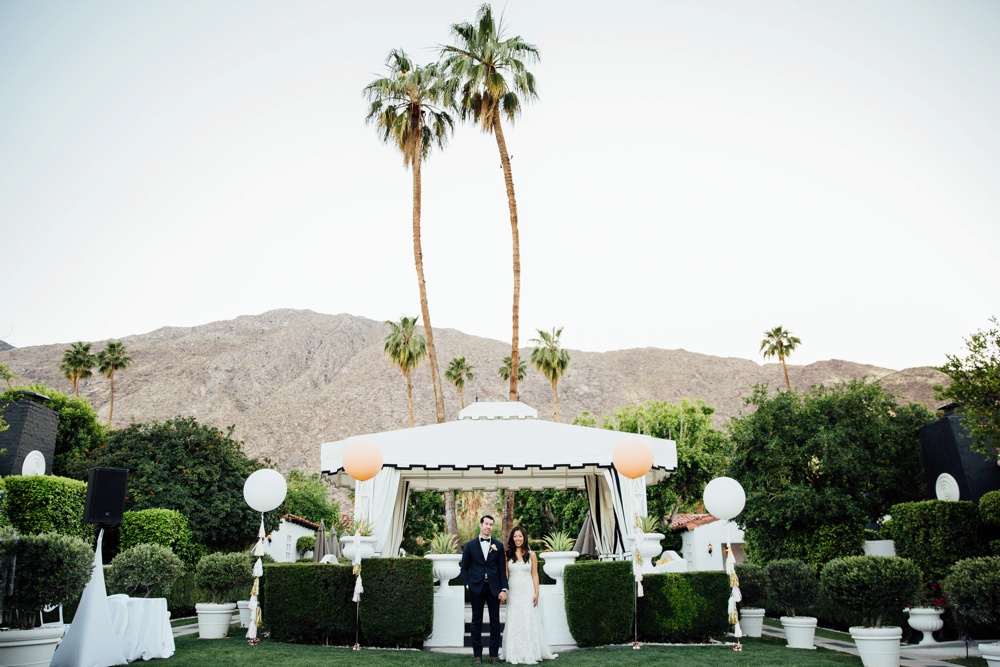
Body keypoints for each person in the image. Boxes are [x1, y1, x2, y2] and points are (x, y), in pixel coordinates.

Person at [501, 526, 557, 665]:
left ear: (524, 537)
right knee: (515, 619)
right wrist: (504, 590)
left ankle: (531, 651)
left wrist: (536, 592)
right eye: (515, 536)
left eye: (520, 536)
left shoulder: (531, 554)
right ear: (512, 539)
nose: (518, 539)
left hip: (527, 591)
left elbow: (535, 574)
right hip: (513, 592)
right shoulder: (507, 555)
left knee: (528, 618)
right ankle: (514, 652)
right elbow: (506, 575)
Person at [461, 515, 509, 664]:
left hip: (494, 588)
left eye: (491, 524)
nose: (488, 526)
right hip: (476, 588)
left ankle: (494, 655)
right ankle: (477, 655)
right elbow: (464, 568)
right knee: (476, 621)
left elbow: (502, 569)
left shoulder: (498, 546)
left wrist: (504, 589)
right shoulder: (469, 545)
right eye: (486, 524)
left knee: (495, 622)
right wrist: (468, 585)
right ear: (480, 525)